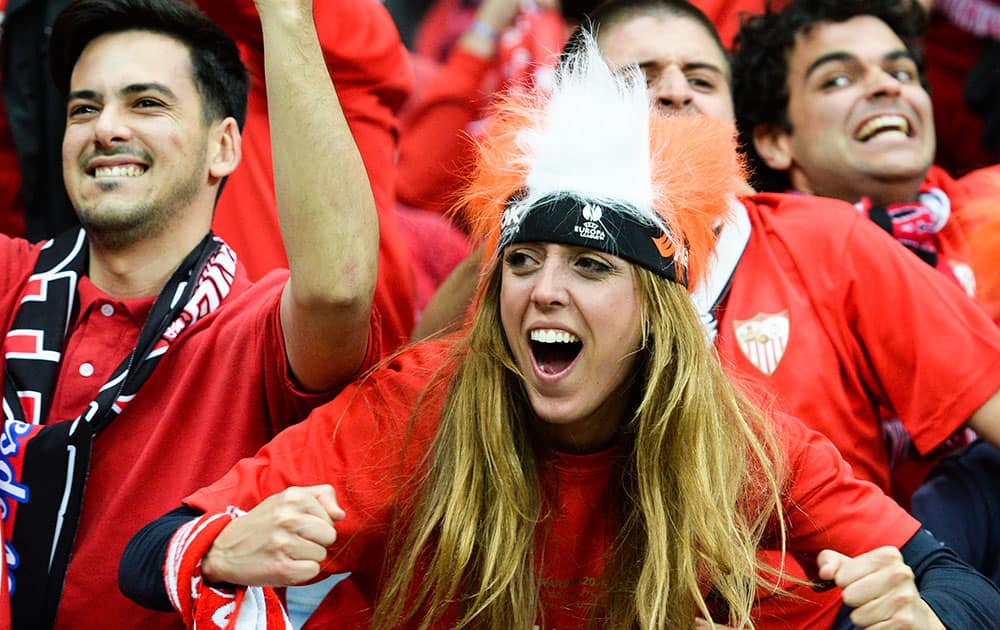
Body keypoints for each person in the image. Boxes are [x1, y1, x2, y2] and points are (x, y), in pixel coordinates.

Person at [120, 38, 1000, 629]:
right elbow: (148, 550)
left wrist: (923, 614)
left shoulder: (742, 438)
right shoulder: (421, 402)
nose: (544, 291)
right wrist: (217, 549)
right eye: (523, 260)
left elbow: (957, 581)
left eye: (590, 267)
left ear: (658, 310)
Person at [0, 0, 383, 626]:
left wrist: (285, 18)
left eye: (146, 103)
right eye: (83, 108)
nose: (106, 129)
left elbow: (339, 290)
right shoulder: (11, 280)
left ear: (223, 146)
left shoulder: (253, 327)